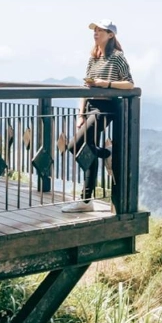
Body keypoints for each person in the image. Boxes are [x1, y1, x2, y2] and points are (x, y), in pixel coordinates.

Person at [62, 19, 135, 213]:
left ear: (110, 35)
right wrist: (80, 114)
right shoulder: (93, 58)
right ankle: (86, 200)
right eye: (94, 30)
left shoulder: (117, 57)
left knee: (74, 145)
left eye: (100, 30)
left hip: (104, 109)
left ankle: (106, 154)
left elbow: (129, 84)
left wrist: (106, 84)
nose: (95, 33)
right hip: (90, 107)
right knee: (86, 149)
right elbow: (85, 88)